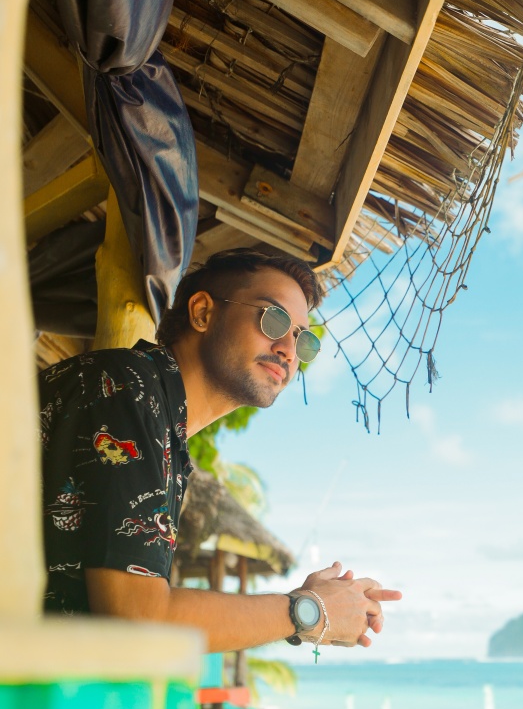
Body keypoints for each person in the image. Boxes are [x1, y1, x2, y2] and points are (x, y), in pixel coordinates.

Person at [38, 247, 400, 651]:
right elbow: (137, 620)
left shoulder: (160, 427)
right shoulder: (127, 388)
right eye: (273, 318)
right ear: (203, 313)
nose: (288, 349)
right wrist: (307, 611)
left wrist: (307, 605)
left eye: (302, 338)